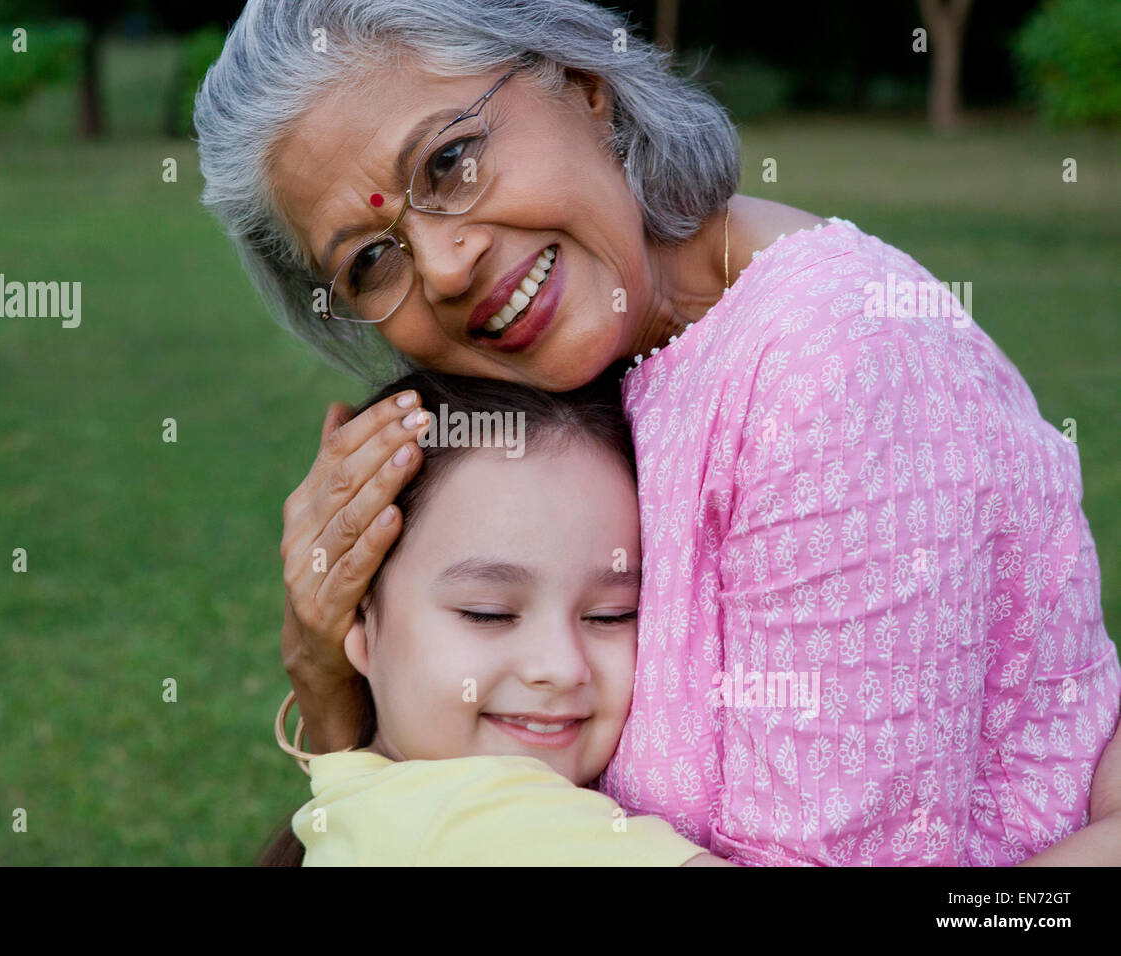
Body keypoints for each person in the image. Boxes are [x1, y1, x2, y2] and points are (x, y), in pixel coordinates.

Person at [196, 0, 1121, 864]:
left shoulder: (827, 362)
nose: (441, 266)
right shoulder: (583, 382)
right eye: (370, 260)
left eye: (448, 162)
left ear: (585, 91)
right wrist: (326, 677)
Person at [264, 370, 732, 865]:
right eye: (488, 614)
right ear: (357, 625)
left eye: (610, 615)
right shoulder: (487, 823)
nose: (561, 667)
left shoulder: (355, 802)